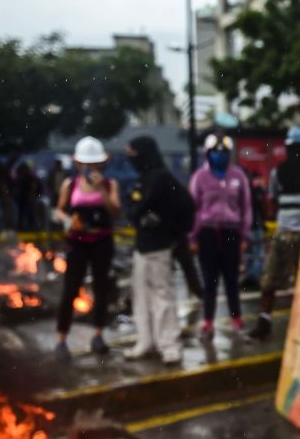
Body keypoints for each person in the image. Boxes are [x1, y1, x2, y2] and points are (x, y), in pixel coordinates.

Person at [249, 126, 300, 342]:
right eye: (294, 149)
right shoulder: (277, 173)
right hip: (283, 232)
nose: (297, 153)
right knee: (269, 281)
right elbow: (271, 202)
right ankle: (264, 323)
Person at [53, 136, 120, 362]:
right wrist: (70, 222)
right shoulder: (69, 185)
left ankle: (98, 334)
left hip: (102, 241)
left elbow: (115, 211)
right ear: (78, 163)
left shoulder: (110, 184)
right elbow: (59, 211)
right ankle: (62, 339)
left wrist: (101, 189)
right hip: (78, 242)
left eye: (94, 164)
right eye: (86, 164)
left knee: (101, 288)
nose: (90, 168)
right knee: (71, 289)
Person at [124, 135, 187, 365]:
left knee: (162, 297)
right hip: (143, 248)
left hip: (159, 248)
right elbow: (133, 209)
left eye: (133, 153)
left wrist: (167, 224)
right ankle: (146, 341)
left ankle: (169, 346)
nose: (130, 158)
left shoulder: (161, 178)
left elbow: (186, 205)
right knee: (141, 297)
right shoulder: (146, 178)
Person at [189, 133, 251, 339]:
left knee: (232, 279)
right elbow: (193, 208)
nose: (220, 155)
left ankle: (236, 318)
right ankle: (208, 322)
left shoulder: (238, 176)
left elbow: (245, 207)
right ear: (208, 153)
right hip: (207, 233)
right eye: (215, 152)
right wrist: (192, 237)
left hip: (231, 232)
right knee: (210, 280)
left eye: (224, 152)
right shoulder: (200, 177)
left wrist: (244, 236)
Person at [14, 160, 41, 231]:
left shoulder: (31, 178)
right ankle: (23, 227)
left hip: (28, 199)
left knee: (30, 214)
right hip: (23, 199)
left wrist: (33, 195)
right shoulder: (22, 178)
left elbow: (35, 188)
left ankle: (31, 227)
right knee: (23, 214)